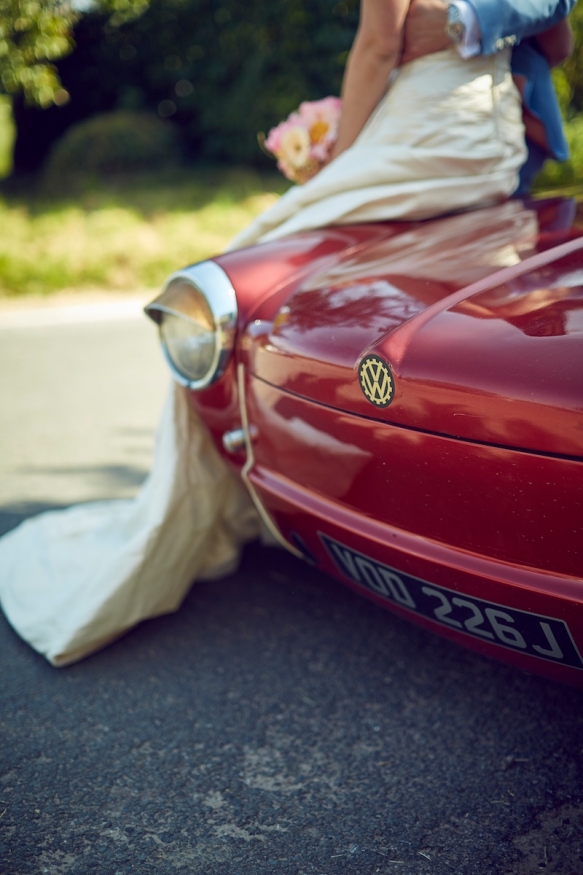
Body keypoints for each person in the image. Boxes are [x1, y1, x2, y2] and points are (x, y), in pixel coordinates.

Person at [0, 0, 574, 667]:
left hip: (421, 136)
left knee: (258, 248)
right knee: (440, 283)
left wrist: (337, 160)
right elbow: (555, 46)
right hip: (488, 146)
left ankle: (232, 488)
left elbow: (375, 51)